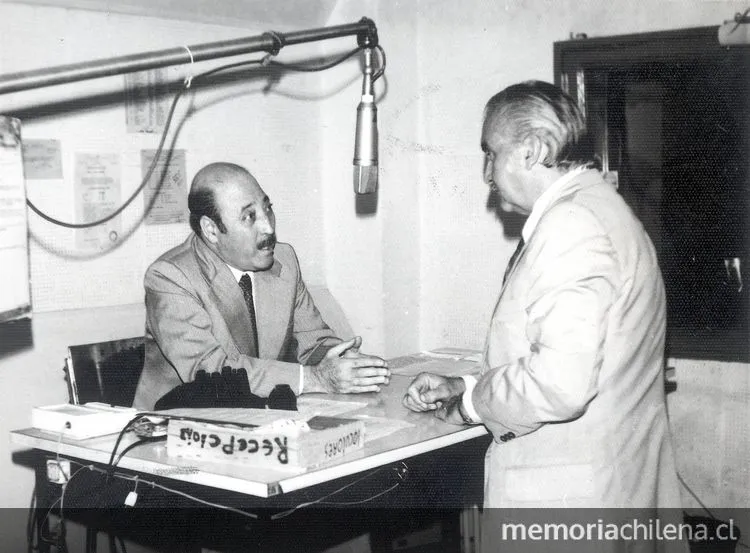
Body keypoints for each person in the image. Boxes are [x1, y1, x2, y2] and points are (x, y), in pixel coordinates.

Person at [403, 82, 683, 550]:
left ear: (532, 150)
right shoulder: (604, 210)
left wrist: (473, 405)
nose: (487, 172)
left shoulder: (570, 226)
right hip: (609, 489)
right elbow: (558, 355)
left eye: (491, 153)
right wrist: (468, 384)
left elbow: (561, 383)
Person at [133, 162, 389, 410]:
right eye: (249, 217)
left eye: (268, 209)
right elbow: (211, 371)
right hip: (177, 426)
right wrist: (315, 378)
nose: (268, 227)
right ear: (211, 230)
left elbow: (312, 340)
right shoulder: (170, 277)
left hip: (262, 416)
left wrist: (342, 360)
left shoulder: (284, 260)